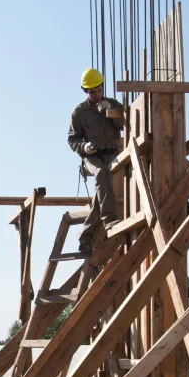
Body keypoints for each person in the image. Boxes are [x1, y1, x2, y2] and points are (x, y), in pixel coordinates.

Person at [68, 69, 124, 254]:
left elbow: (126, 124)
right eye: (92, 92)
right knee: (101, 174)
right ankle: (109, 220)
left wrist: (112, 112)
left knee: (103, 191)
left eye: (99, 90)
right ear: (86, 91)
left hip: (113, 153)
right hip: (91, 157)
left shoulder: (113, 104)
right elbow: (72, 139)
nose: (96, 94)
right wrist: (84, 147)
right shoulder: (79, 112)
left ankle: (85, 236)